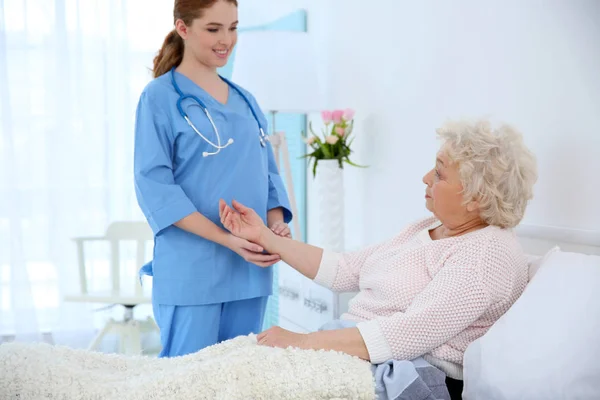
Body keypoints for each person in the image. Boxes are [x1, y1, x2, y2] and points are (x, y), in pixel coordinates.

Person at [219, 118, 537, 398]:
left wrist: (302, 342)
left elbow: (409, 333)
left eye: (439, 174)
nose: (426, 178)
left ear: (476, 197)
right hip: (356, 352)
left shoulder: (488, 254)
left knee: (237, 382)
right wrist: (264, 236)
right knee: (223, 367)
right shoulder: (429, 227)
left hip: (405, 372)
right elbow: (345, 269)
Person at [133, 0, 292, 357]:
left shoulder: (246, 101)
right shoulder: (159, 98)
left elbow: (267, 173)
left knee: (237, 381)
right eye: (213, 29)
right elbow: (154, 187)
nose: (226, 40)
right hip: (193, 271)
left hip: (249, 269)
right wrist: (226, 239)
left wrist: (276, 225)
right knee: (187, 384)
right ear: (183, 28)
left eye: (233, 28)